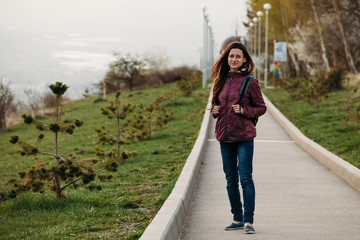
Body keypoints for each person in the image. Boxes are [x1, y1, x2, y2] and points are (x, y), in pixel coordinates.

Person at [210, 41, 266, 234]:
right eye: (231, 56)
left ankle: (249, 221)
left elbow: (261, 108)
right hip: (224, 137)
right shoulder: (220, 80)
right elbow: (215, 107)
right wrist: (215, 111)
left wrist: (244, 110)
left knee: (246, 178)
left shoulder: (250, 82)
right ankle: (237, 218)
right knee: (230, 179)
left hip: (244, 137)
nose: (234, 59)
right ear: (227, 58)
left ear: (244, 60)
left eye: (238, 57)